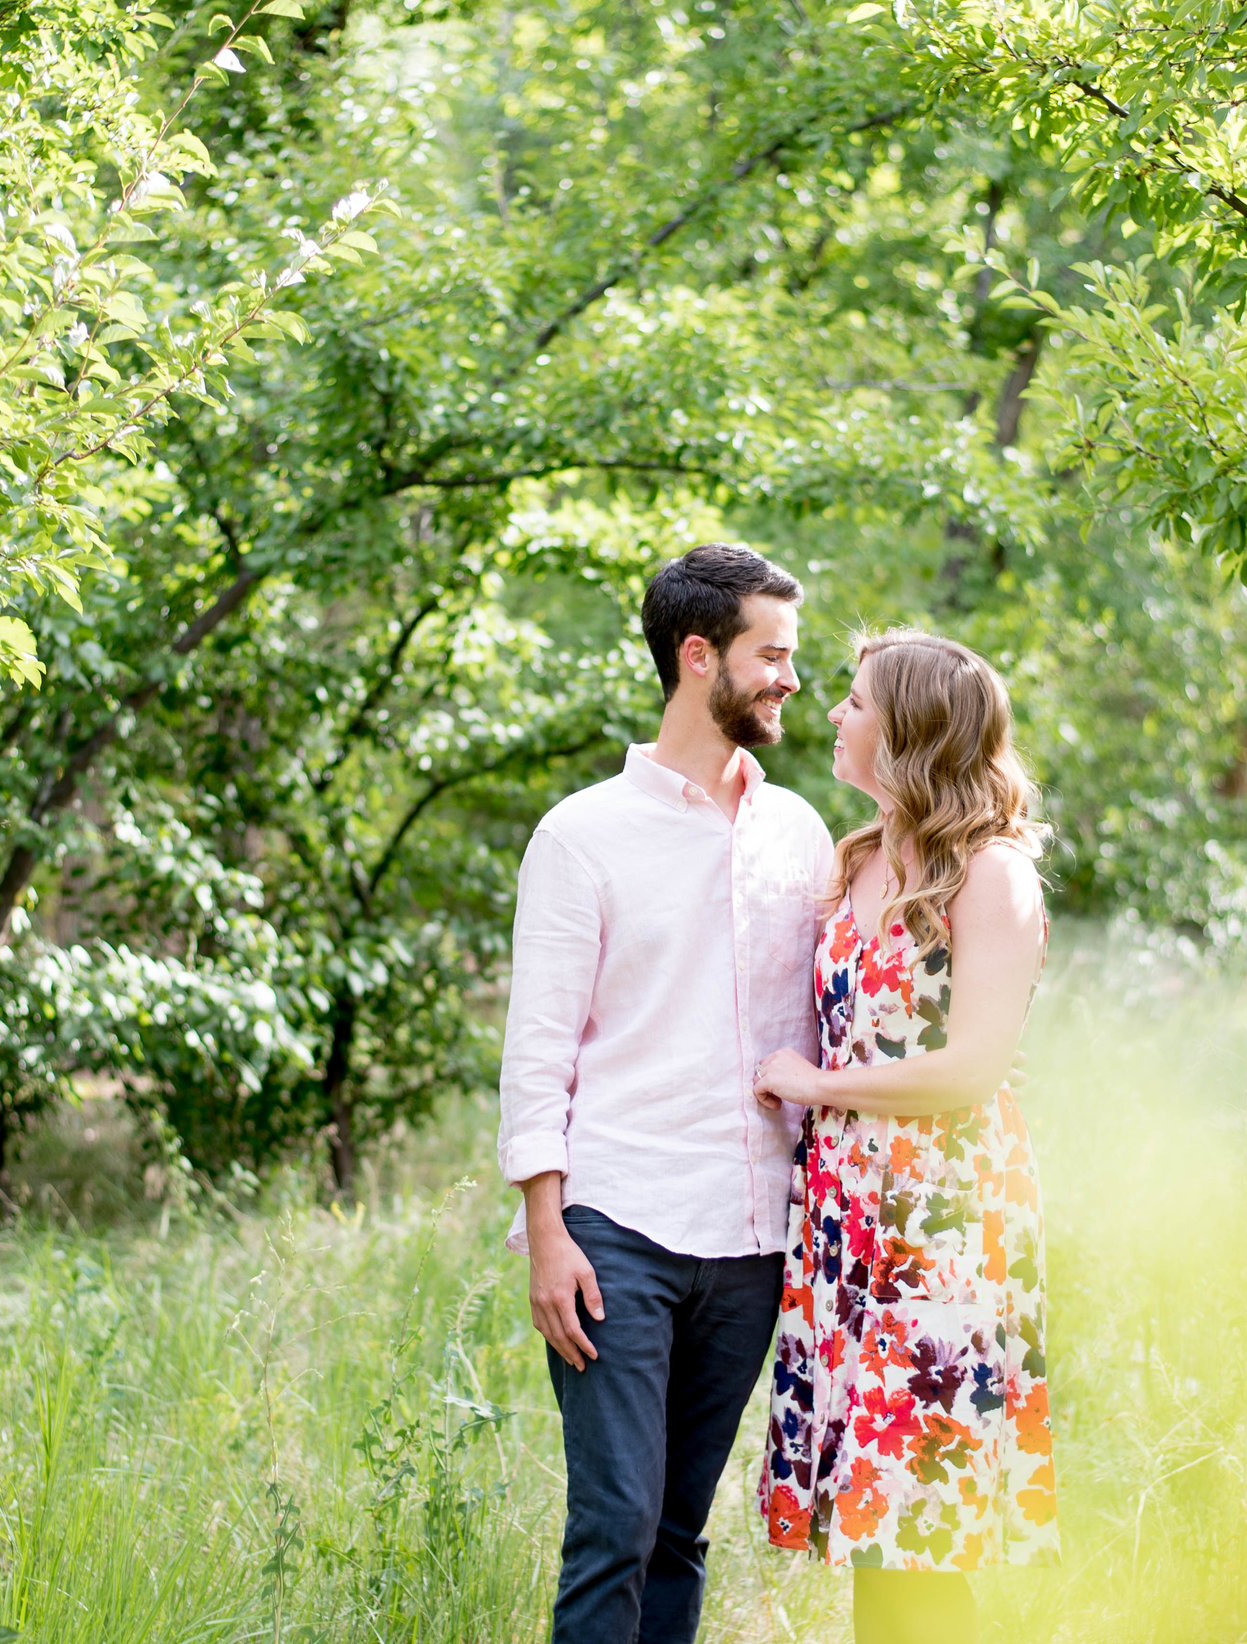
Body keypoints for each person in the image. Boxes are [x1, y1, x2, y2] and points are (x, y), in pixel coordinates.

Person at [497, 543, 838, 1644]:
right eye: (771, 654)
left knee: (681, 1529)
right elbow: (537, 1048)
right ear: (700, 658)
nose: (791, 678)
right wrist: (546, 1231)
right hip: (616, 1227)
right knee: (614, 1522)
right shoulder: (581, 835)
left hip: (752, 1236)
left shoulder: (800, 833)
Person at [752, 628, 1059, 1644]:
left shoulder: (991, 875)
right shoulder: (857, 861)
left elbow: (972, 1067)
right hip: (846, 1220)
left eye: (854, 701)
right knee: (871, 1533)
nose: (833, 714)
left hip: (941, 1225)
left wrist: (816, 1085)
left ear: (911, 730)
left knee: (911, 1532)